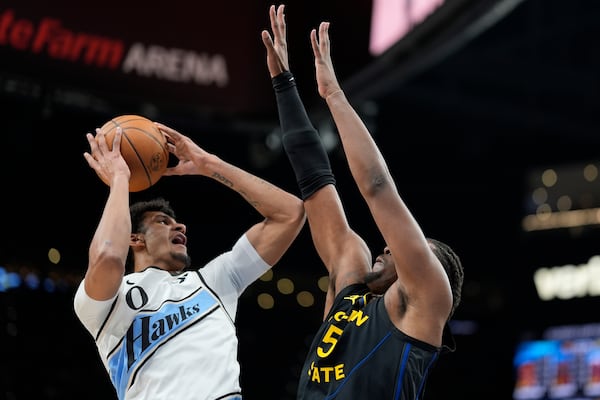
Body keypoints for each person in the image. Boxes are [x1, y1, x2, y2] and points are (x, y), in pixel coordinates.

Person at [262, 5, 464, 399]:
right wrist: (283, 83)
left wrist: (334, 94)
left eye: (417, 253)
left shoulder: (426, 300)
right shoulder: (349, 281)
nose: (390, 246)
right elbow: (314, 182)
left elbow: (376, 186)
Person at [73, 121, 306, 400]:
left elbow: (290, 214)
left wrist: (209, 164)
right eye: (163, 221)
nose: (180, 226)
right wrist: (121, 178)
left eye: (178, 222)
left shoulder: (214, 282)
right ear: (135, 239)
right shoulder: (110, 302)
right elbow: (108, 256)